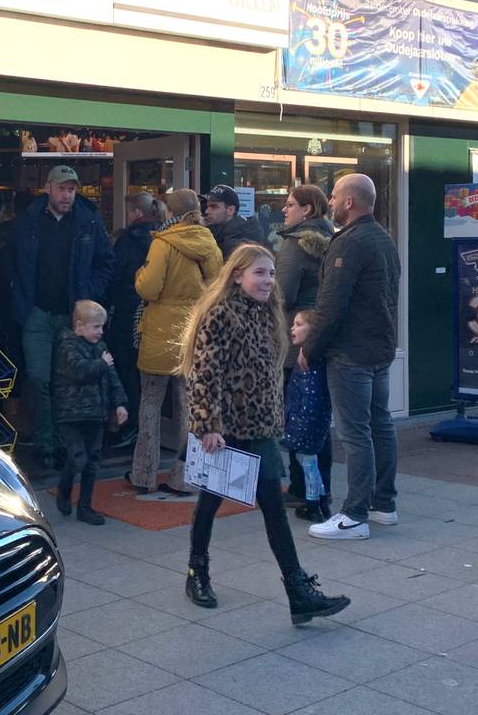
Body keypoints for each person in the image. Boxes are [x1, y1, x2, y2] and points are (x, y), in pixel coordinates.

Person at [181, 243, 350, 625]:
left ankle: (298, 590)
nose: (268, 280)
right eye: (260, 272)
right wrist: (208, 425)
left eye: (272, 273)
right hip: (225, 430)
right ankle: (197, 571)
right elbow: (204, 373)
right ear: (237, 274)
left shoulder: (267, 314)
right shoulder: (219, 314)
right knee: (210, 502)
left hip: (259, 428)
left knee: (273, 507)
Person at [303, 174, 401, 541]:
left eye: (333, 196)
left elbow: (332, 303)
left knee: (355, 432)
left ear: (348, 202)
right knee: (380, 425)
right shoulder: (383, 238)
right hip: (379, 348)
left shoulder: (350, 242)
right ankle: (383, 504)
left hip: (351, 351)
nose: (329, 200)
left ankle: (355, 515)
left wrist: (309, 348)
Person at [12, 165, 115, 470]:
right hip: (38, 314)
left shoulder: (88, 221)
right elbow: (14, 264)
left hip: (75, 316)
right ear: (47, 188)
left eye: (72, 189)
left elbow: (106, 262)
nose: (67, 195)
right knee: (40, 378)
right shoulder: (28, 221)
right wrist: (22, 304)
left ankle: (68, 446)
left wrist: (88, 294)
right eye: (62, 188)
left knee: (70, 380)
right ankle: (47, 443)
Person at [130, 189, 223, 496]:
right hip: (194, 329)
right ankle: (185, 476)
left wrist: (139, 274)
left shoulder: (162, 243)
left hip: (160, 330)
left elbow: (149, 288)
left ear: (170, 212)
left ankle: (143, 474)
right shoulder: (209, 242)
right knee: (189, 405)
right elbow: (217, 285)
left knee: (150, 403)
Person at [276, 184, 335, 507]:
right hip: (319, 336)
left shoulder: (294, 245)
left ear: (307, 210)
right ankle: (318, 487)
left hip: (293, 337)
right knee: (317, 419)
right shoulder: (335, 239)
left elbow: (281, 293)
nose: (285, 210)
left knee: (296, 415)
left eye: (290, 205)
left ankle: (301, 488)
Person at [52, 300, 129, 526]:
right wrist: (102, 364)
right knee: (79, 459)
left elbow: (113, 379)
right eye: (96, 327)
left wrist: (120, 404)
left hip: (96, 414)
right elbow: (80, 372)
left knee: (93, 460)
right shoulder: (68, 346)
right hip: (71, 415)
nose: (100, 332)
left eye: (101, 327)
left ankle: (85, 507)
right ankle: (64, 490)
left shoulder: (101, 348)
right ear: (79, 325)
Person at [108, 191, 165, 448]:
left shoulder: (127, 242)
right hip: (156, 314)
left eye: (130, 212)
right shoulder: (164, 239)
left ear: (137, 213)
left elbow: (116, 276)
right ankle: (152, 428)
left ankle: (130, 426)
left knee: (127, 370)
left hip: (127, 312)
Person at [283, 310, 331, 523]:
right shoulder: (311, 361)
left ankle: (313, 505)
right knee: (311, 465)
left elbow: (310, 400)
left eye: (299, 324)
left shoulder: (308, 364)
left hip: (305, 427)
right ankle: (320, 500)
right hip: (308, 425)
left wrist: (297, 427)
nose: (292, 328)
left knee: (309, 467)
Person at [203, 184, 270, 258]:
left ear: (230, 210)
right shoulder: (215, 234)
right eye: (207, 206)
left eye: (214, 207)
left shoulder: (242, 241)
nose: (207, 211)